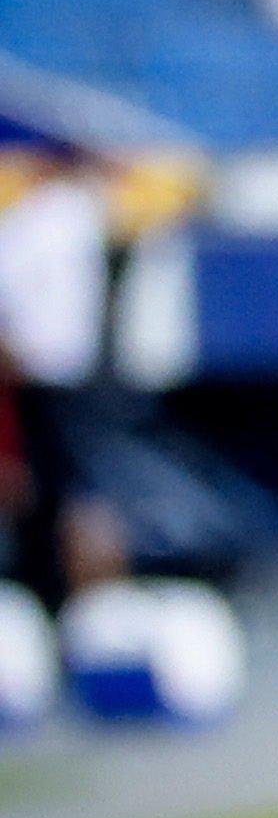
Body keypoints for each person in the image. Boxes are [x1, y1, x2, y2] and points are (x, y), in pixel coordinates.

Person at [0, 144, 115, 616]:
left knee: (57, 500)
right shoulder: (67, 214)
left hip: (49, 374)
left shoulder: (55, 216)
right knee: (59, 498)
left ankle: (67, 603)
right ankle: (67, 603)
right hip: (57, 373)